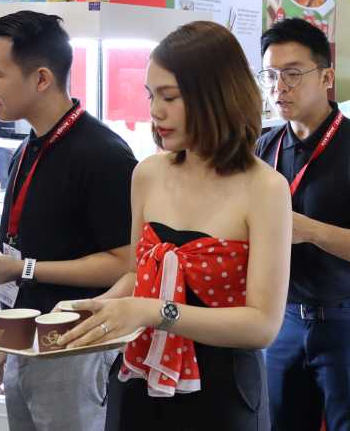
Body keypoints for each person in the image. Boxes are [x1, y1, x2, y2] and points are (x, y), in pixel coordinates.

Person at [57, 21, 293, 430]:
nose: (155, 111)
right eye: (151, 96)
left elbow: (262, 325)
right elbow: (138, 273)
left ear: (216, 96)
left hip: (221, 392)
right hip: (138, 379)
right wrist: (98, 311)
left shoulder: (265, 188)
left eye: (169, 97)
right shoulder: (148, 173)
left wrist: (153, 312)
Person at [0, 11, 136, 431]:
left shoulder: (103, 155)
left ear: (41, 78)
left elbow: (126, 263)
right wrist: (4, 341)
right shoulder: (27, 148)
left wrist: (22, 268)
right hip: (24, 343)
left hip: (75, 346)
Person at [256, 18, 350, 431]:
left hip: (349, 319)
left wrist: (311, 231)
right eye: (270, 75)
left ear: (326, 78)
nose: (279, 87)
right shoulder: (266, 147)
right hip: (282, 316)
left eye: (292, 74)